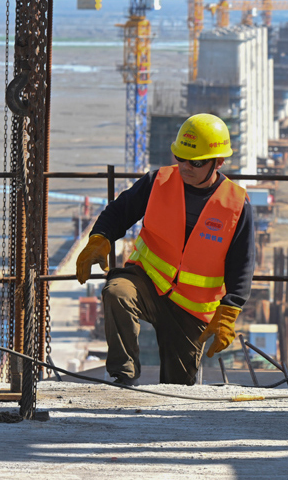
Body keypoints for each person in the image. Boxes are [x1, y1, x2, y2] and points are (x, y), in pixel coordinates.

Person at [75, 113, 255, 386]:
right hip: (147, 281)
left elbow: (242, 265)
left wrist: (229, 311)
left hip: (191, 308)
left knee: (178, 386)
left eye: (195, 162)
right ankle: (123, 376)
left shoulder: (236, 205)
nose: (185, 167)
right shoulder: (158, 182)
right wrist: (99, 239)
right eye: (180, 157)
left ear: (218, 162)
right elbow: (119, 212)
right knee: (117, 292)